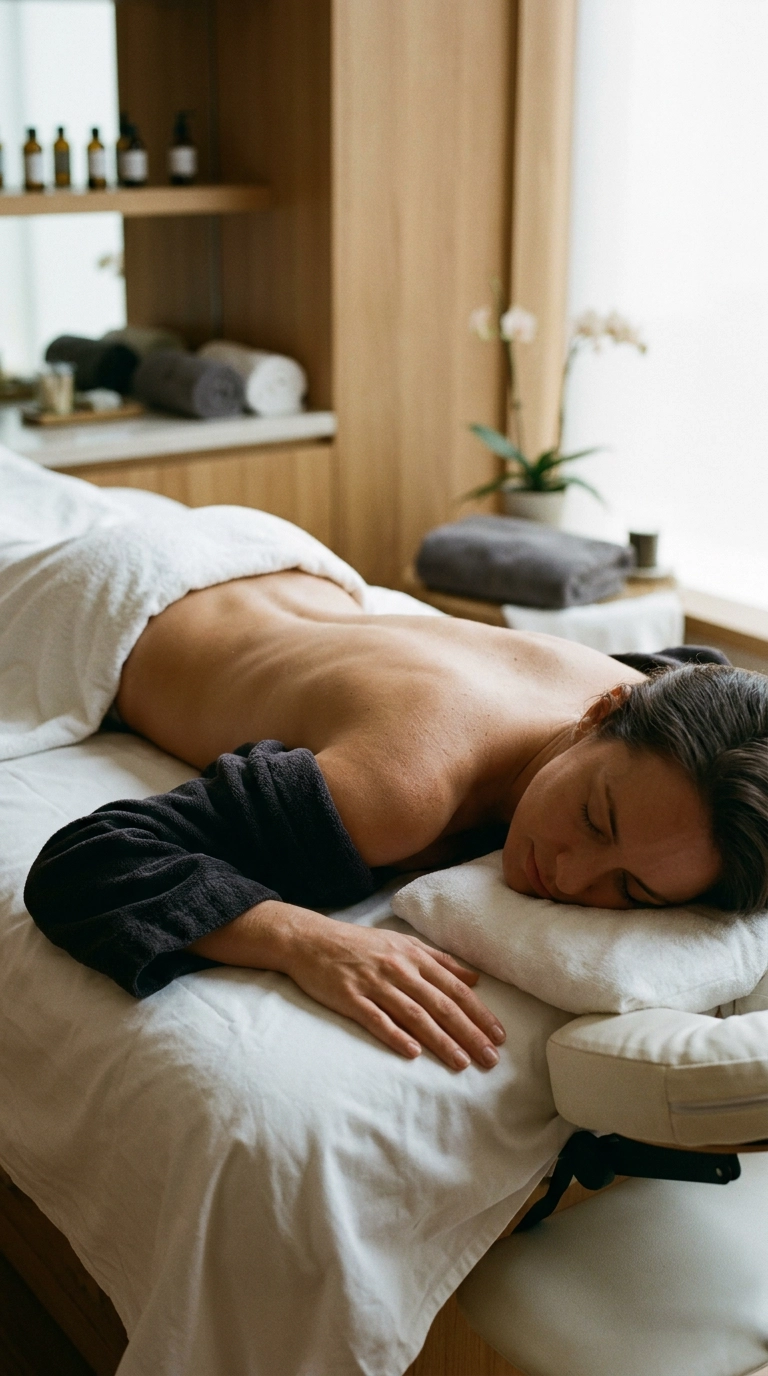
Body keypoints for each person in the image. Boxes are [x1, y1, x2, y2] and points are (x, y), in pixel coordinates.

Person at [25, 568, 768, 1072]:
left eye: (632, 892)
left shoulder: (662, 692)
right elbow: (87, 859)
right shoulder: (395, 795)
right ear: (601, 712)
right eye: (596, 821)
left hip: (302, 579)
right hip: (118, 601)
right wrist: (302, 939)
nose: (568, 876)